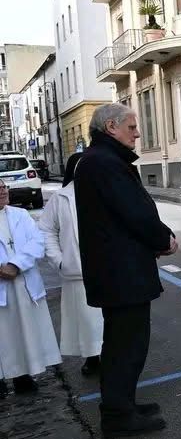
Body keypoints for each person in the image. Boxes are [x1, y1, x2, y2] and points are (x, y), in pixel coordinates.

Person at [76, 103, 176, 437]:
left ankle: (124, 404)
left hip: (118, 268)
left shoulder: (101, 160)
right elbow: (133, 212)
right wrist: (164, 239)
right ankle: (118, 415)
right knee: (125, 345)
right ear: (110, 128)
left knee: (125, 342)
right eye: (131, 126)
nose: (137, 132)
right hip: (121, 271)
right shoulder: (104, 163)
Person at [39, 152, 103, 374]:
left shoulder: (103, 192)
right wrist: (59, 261)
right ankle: (92, 358)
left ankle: (113, 358)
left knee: (109, 319)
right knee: (86, 320)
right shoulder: (61, 198)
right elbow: (46, 230)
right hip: (76, 269)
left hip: (107, 267)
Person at [0, 179, 59, 397]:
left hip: (23, 282)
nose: (2, 191)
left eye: (4, 187)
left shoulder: (20, 215)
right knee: (3, 335)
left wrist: (16, 264)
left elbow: (37, 242)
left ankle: (22, 375)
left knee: (22, 332)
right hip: (2, 285)